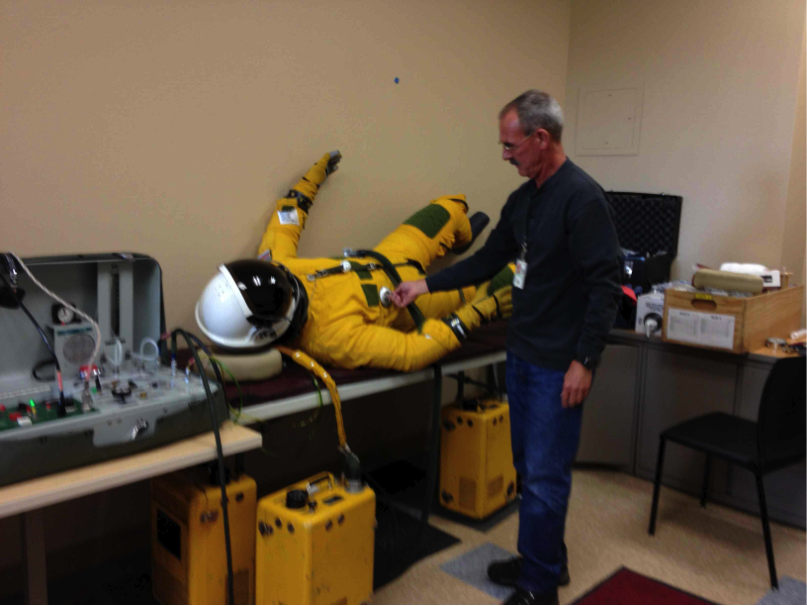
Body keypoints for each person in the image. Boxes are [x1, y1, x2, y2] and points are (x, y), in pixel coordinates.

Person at [393, 90, 623, 605]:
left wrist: (585, 361)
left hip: (558, 364)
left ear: (542, 139)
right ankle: (548, 559)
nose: (505, 155)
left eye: (511, 146)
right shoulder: (524, 199)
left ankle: (540, 587)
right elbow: (489, 259)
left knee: (544, 476)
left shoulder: (583, 199)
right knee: (527, 470)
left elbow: (607, 286)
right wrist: (423, 287)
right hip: (521, 354)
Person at [195, 151, 515, 373]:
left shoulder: (275, 272)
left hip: (390, 256)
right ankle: (491, 285)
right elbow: (412, 353)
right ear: (266, 331)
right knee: (510, 279)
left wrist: (310, 182)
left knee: (449, 207)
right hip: (413, 301)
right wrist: (477, 313)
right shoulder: (335, 341)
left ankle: (462, 239)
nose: (283, 284)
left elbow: (284, 223)